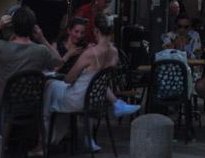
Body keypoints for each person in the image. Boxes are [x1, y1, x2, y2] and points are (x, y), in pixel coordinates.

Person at [0, 7, 60, 155]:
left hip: (3, 102)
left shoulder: (0, 47)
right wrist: (42, 38)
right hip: (31, 102)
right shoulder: (40, 50)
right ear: (33, 27)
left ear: (12, 26)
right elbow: (58, 61)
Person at [45, 17, 140, 150]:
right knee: (71, 83)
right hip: (95, 99)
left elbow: (69, 79)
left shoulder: (89, 52)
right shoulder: (113, 52)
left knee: (50, 86)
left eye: (82, 32)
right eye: (76, 32)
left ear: (95, 31)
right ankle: (116, 104)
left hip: (77, 99)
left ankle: (44, 138)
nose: (79, 36)